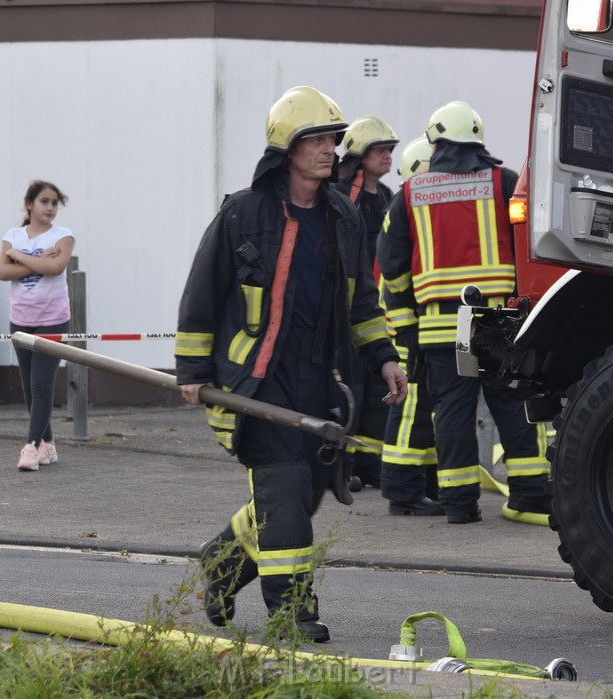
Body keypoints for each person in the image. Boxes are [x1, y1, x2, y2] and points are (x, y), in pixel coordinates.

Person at [175, 86, 407, 643]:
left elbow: (360, 300)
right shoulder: (244, 212)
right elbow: (202, 292)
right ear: (288, 146)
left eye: (333, 138)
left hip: (317, 379)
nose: (331, 149)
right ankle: (292, 612)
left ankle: (220, 566)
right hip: (255, 380)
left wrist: (383, 358)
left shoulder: (342, 215)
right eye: (318, 139)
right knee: (282, 496)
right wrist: (192, 372)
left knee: (304, 494)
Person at [377, 102, 551, 525]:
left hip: (439, 326)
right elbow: (532, 246)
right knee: (511, 404)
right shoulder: (505, 182)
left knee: (452, 412)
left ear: (435, 142)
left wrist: (407, 332)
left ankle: (458, 504)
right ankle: (529, 495)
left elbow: (391, 269)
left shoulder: (411, 195)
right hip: (497, 322)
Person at [378, 136, 443, 516]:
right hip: (404, 329)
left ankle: (423, 485)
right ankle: (402, 493)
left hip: (413, 328)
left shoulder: (411, 210)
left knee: (424, 409)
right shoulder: (406, 212)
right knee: (409, 405)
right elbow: (395, 283)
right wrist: (409, 338)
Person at [333, 115, 399, 491]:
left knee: (377, 393)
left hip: (379, 309)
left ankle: (371, 465)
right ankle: (342, 467)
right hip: (349, 310)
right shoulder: (345, 194)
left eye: (390, 149)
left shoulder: (387, 196)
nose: (388, 156)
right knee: (350, 390)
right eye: (380, 150)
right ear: (360, 154)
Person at [0, 180, 75, 472]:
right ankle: (47, 445)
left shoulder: (63, 236)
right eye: (44, 202)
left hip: (52, 319)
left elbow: (56, 268)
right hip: (21, 320)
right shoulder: (13, 235)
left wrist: (21, 257)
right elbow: (3, 272)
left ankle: (30, 446)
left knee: (42, 385)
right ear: (30, 204)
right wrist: (38, 258)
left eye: (55, 203)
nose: (50, 208)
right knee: (30, 387)